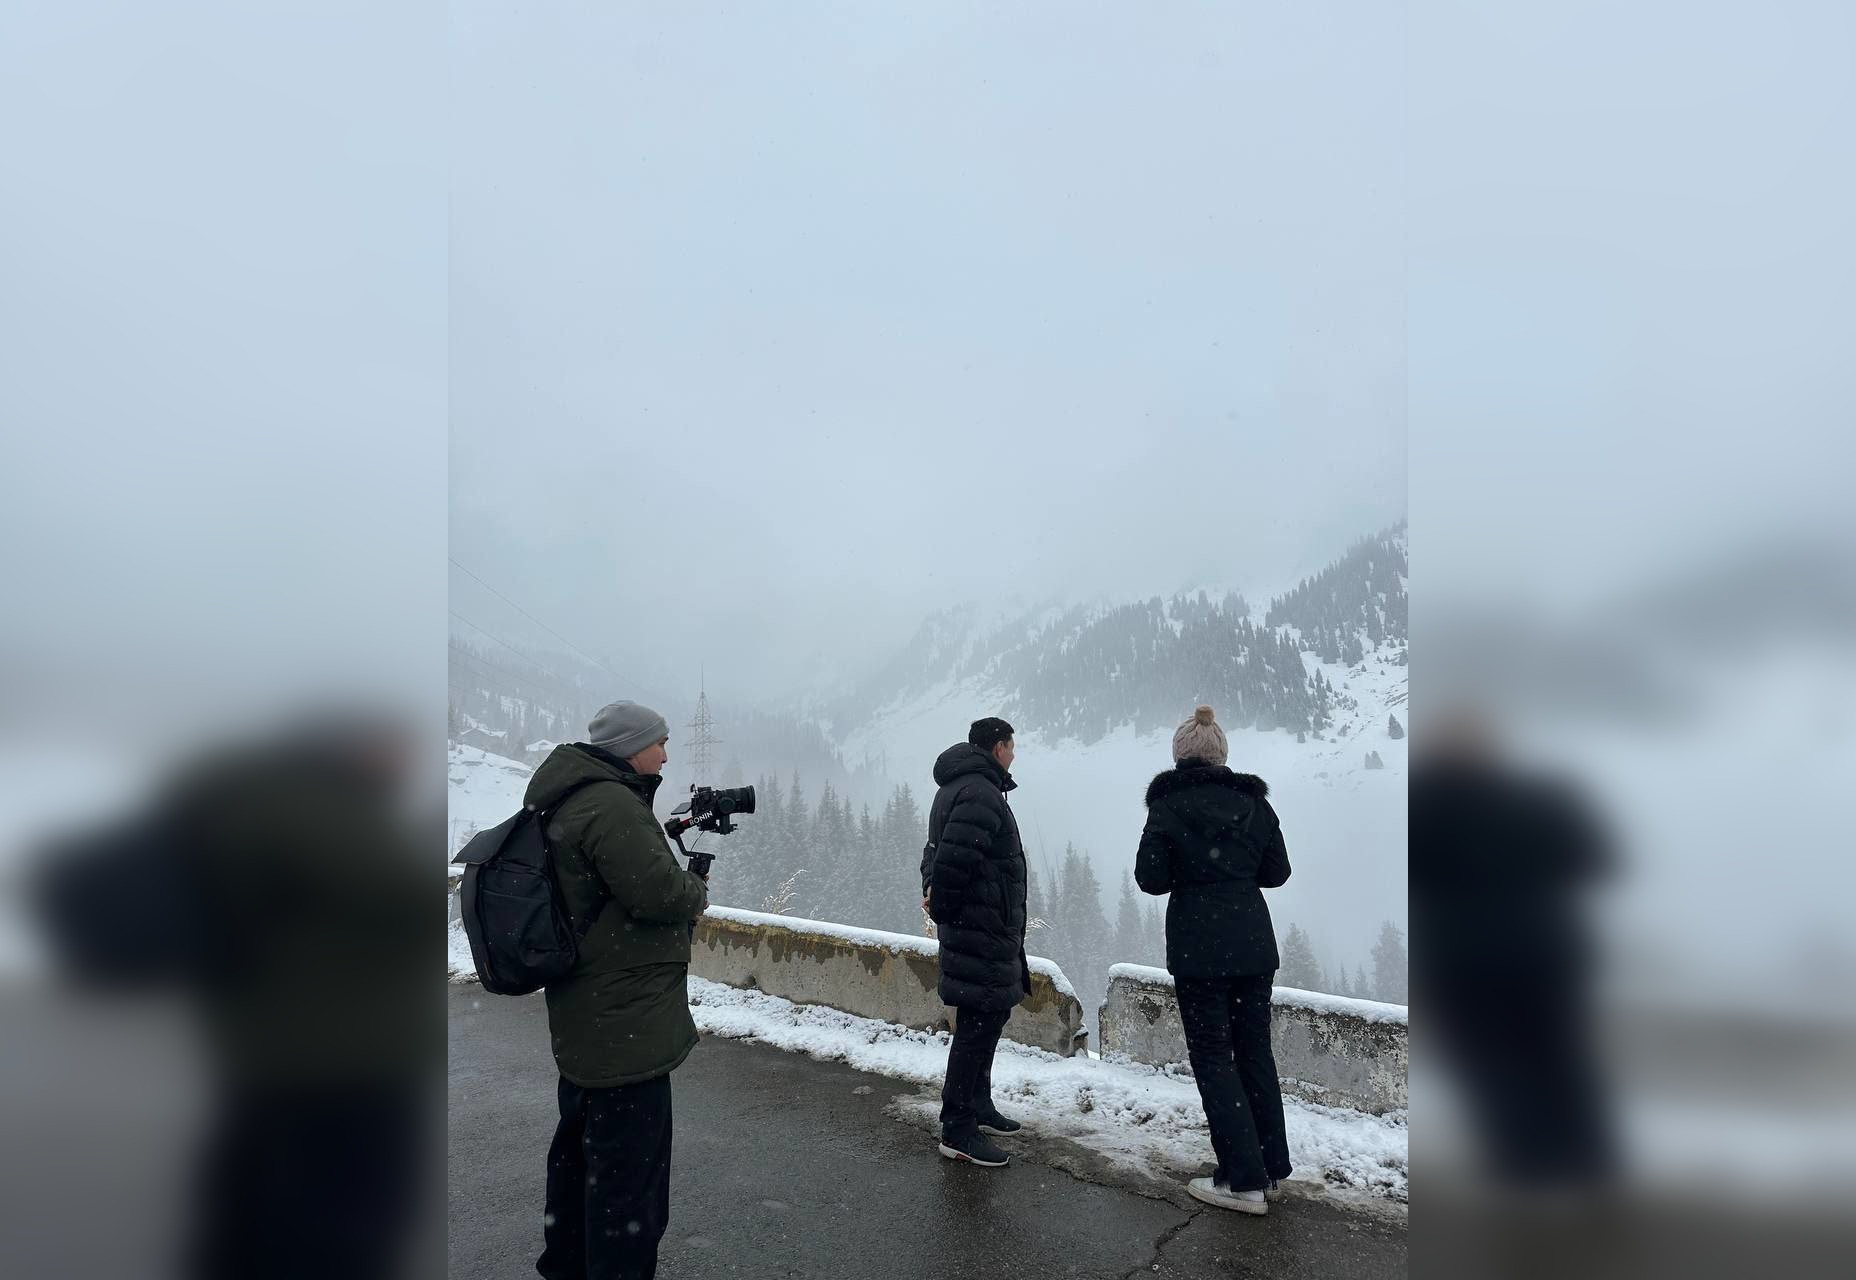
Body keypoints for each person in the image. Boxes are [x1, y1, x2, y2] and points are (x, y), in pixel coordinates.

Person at [527, 700, 710, 1280]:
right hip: (626, 1019)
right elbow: (658, 893)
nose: (667, 754)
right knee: (629, 1178)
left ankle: (568, 1264)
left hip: (588, 1009)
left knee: (580, 1155)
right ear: (633, 748)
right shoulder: (610, 804)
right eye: (661, 742)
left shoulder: (572, 796)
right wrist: (696, 889)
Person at [1135, 705, 1292, 1214]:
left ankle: (1242, 1180)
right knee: (1254, 1052)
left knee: (1213, 1057)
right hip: (1253, 946)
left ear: (1180, 757)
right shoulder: (1254, 803)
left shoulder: (1167, 806)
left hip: (1199, 950)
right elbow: (1277, 872)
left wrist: (1191, 869)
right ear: (1222, 754)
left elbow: (1150, 879)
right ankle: (1269, 1168)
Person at [924, 716, 1030, 1167]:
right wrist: (944, 905)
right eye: (1012, 746)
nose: (1014, 754)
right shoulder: (979, 792)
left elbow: (933, 855)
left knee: (989, 1017)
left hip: (983, 928)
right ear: (998, 747)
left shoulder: (960, 787)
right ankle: (958, 1129)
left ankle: (978, 1105)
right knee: (977, 1028)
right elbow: (950, 862)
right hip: (981, 932)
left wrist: (934, 892)